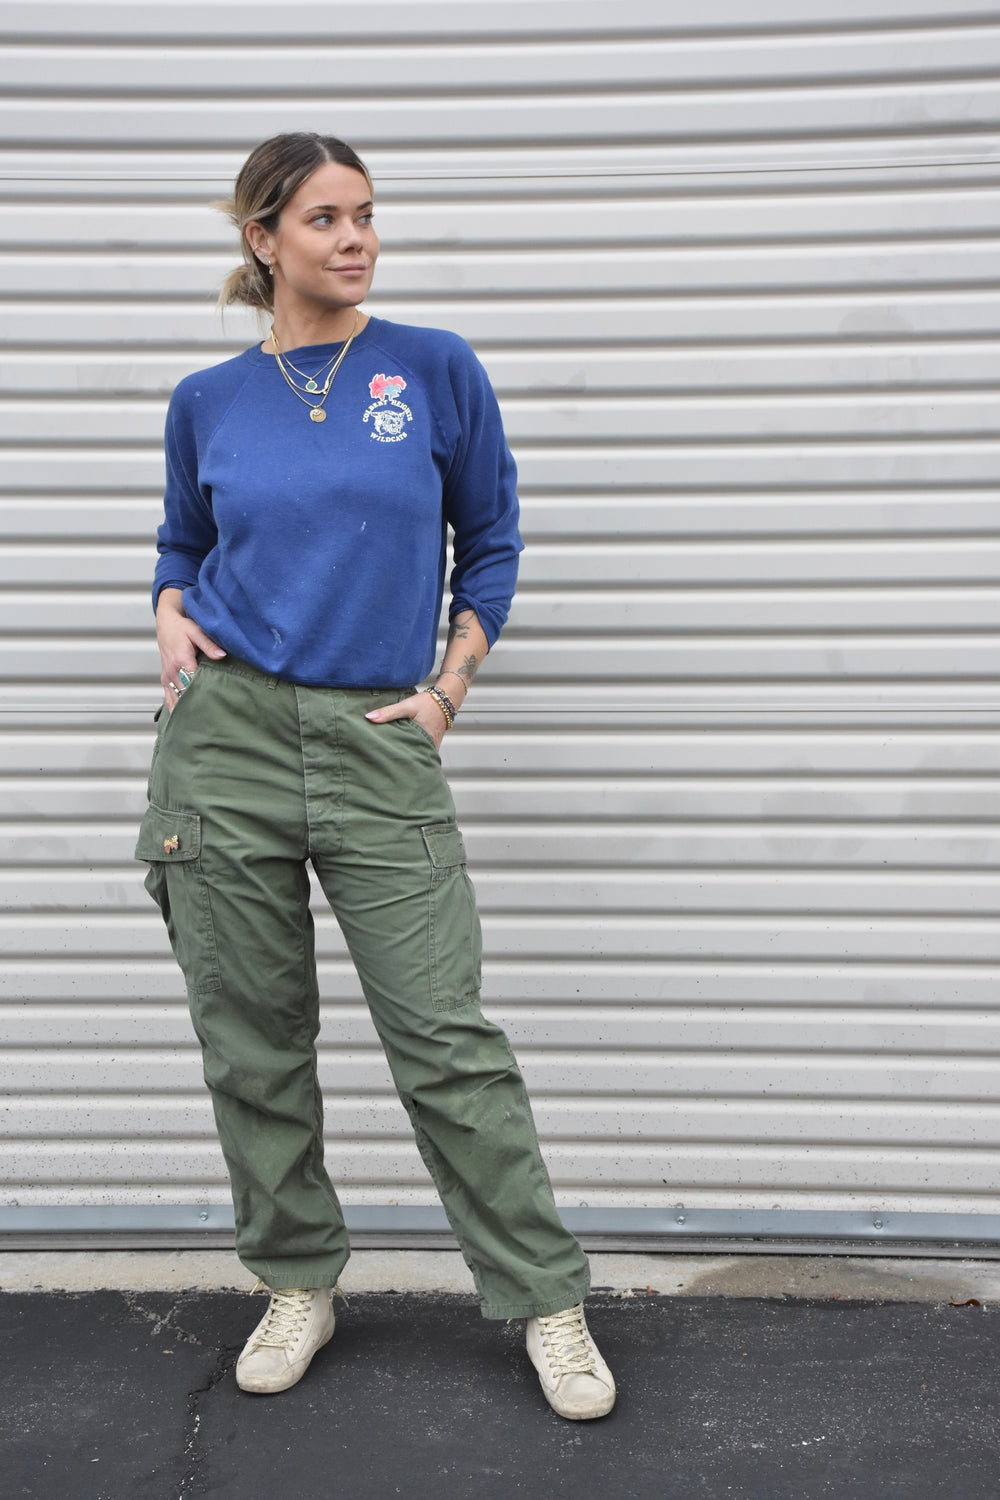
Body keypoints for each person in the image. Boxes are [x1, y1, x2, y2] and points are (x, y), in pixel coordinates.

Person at [136, 131, 615, 1421]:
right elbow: (184, 541)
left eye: (365, 214)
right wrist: (170, 606)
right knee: (253, 1041)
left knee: (446, 1039)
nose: (357, 238)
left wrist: (449, 688)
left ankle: (546, 1298)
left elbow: (492, 541)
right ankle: (298, 1279)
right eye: (326, 219)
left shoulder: (432, 368)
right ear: (263, 240)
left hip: (379, 735)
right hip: (227, 739)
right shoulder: (208, 399)